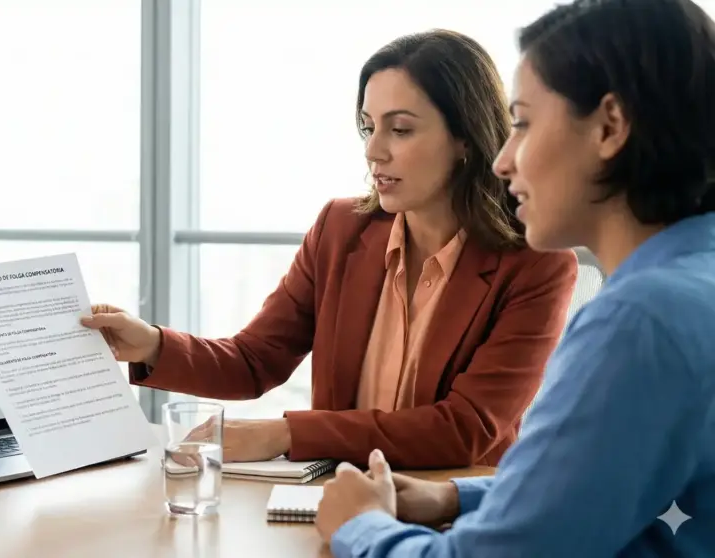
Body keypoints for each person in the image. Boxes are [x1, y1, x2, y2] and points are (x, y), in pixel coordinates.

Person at [314, 0, 715, 556]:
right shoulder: (697, 279)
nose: (502, 160)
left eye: (523, 122)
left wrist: (361, 525)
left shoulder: (638, 320)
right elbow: (601, 482)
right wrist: (457, 497)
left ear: (609, 127)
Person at [81, 29, 577, 468]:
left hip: (453, 513)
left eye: (400, 129)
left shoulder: (537, 264)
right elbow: (255, 360)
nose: (373, 149)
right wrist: (149, 343)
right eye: (369, 126)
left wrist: (285, 433)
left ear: (465, 138)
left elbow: (463, 429)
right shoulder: (341, 229)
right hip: (335, 500)